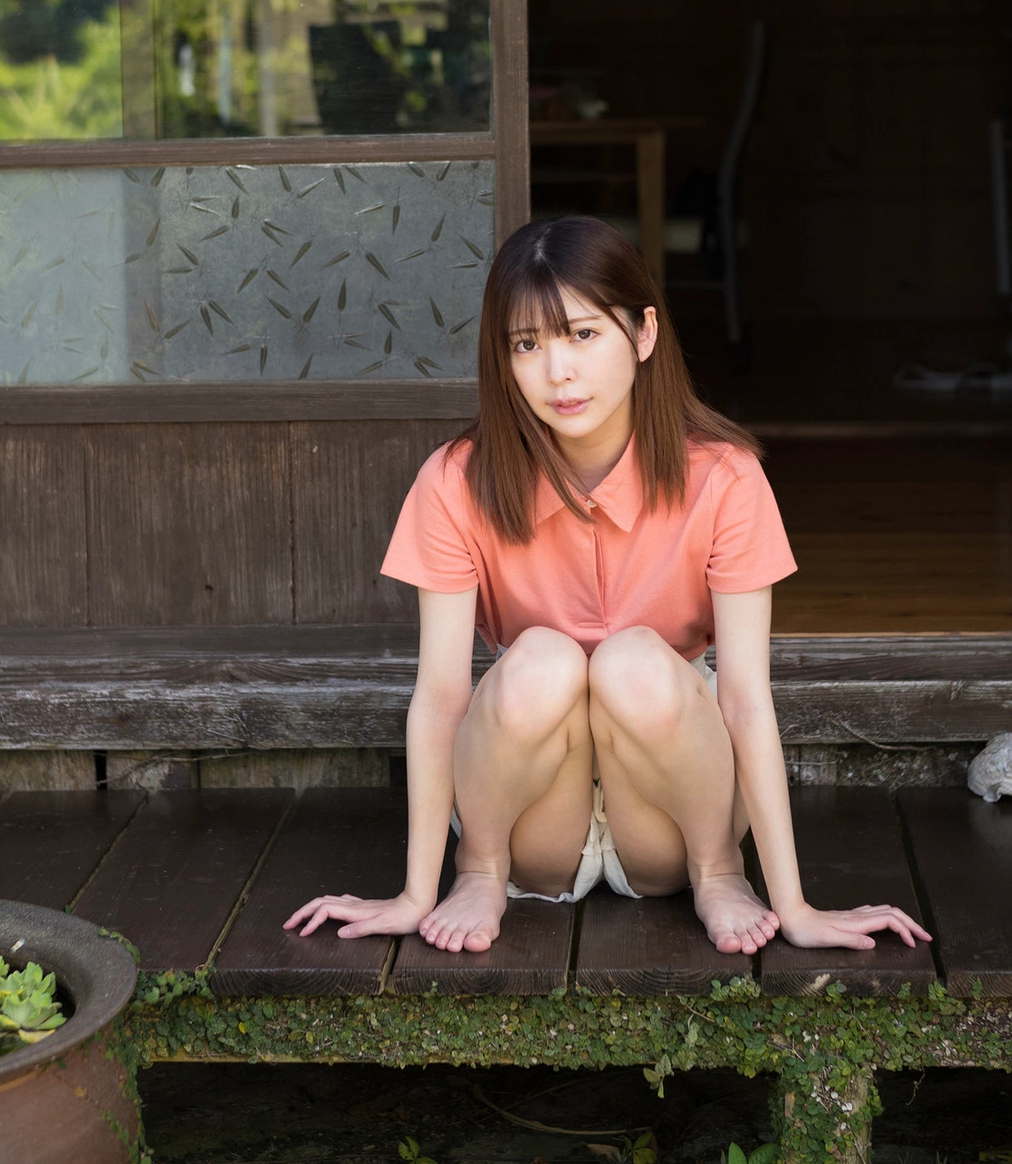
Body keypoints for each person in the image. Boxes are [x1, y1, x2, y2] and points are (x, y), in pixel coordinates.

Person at [284, 216, 930, 960]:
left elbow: (746, 698)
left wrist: (796, 904)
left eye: (583, 335)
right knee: (543, 661)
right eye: (527, 344)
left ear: (644, 333)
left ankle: (717, 870)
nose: (558, 372)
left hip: (669, 809)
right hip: (529, 817)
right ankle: (482, 871)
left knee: (633, 661)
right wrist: (415, 893)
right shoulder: (456, 481)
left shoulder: (725, 480)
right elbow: (440, 697)